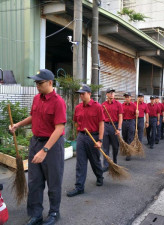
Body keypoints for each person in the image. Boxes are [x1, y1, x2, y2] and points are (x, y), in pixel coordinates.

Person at [9, 69, 66, 225]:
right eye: (36, 83)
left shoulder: (58, 102)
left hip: (52, 146)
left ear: (50, 83)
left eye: (40, 83)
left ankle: (54, 212)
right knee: (34, 182)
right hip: (35, 142)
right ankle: (36, 214)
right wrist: (18, 125)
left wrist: (45, 150)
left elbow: (59, 128)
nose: (37, 86)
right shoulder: (37, 99)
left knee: (53, 181)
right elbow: (34, 116)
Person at [67, 85, 104, 197]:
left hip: (93, 137)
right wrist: (78, 135)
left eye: (83, 93)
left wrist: (100, 140)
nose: (81, 95)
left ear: (89, 94)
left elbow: (101, 123)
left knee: (95, 160)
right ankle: (79, 187)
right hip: (82, 137)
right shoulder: (78, 108)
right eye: (80, 94)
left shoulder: (97, 107)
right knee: (80, 163)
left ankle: (99, 176)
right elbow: (76, 122)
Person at [102, 88, 123, 172]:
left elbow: (120, 116)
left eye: (113, 93)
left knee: (115, 146)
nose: (111, 94)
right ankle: (106, 164)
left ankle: (114, 161)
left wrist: (119, 129)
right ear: (106, 94)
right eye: (109, 93)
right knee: (105, 147)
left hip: (115, 126)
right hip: (106, 126)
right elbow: (101, 118)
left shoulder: (118, 104)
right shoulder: (103, 105)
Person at [121, 92, 137, 161]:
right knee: (124, 137)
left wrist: (137, 114)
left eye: (128, 97)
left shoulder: (134, 105)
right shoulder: (122, 105)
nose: (127, 98)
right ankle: (126, 149)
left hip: (131, 122)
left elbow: (136, 116)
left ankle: (129, 153)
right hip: (124, 122)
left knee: (130, 138)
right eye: (126, 97)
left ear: (130, 98)